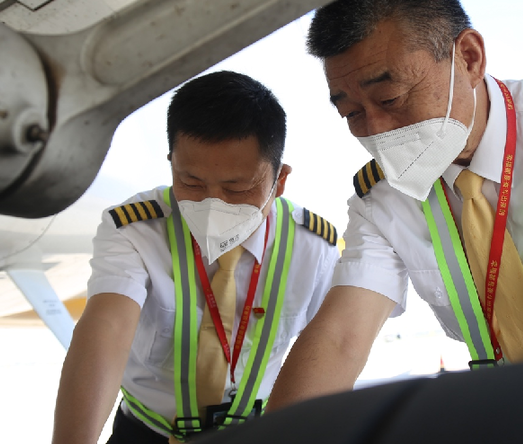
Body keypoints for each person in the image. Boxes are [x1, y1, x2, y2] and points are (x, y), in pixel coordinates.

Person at [266, 0, 523, 411]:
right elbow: (341, 336)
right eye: (352, 113)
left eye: (390, 99)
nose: (376, 131)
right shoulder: (384, 199)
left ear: (468, 58)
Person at [51, 71, 340, 443]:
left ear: (279, 181)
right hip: (148, 432)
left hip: (261, 432)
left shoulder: (314, 246)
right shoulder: (135, 229)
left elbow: (329, 347)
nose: (211, 203)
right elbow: (107, 329)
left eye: (237, 188)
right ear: (171, 161)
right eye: (191, 183)